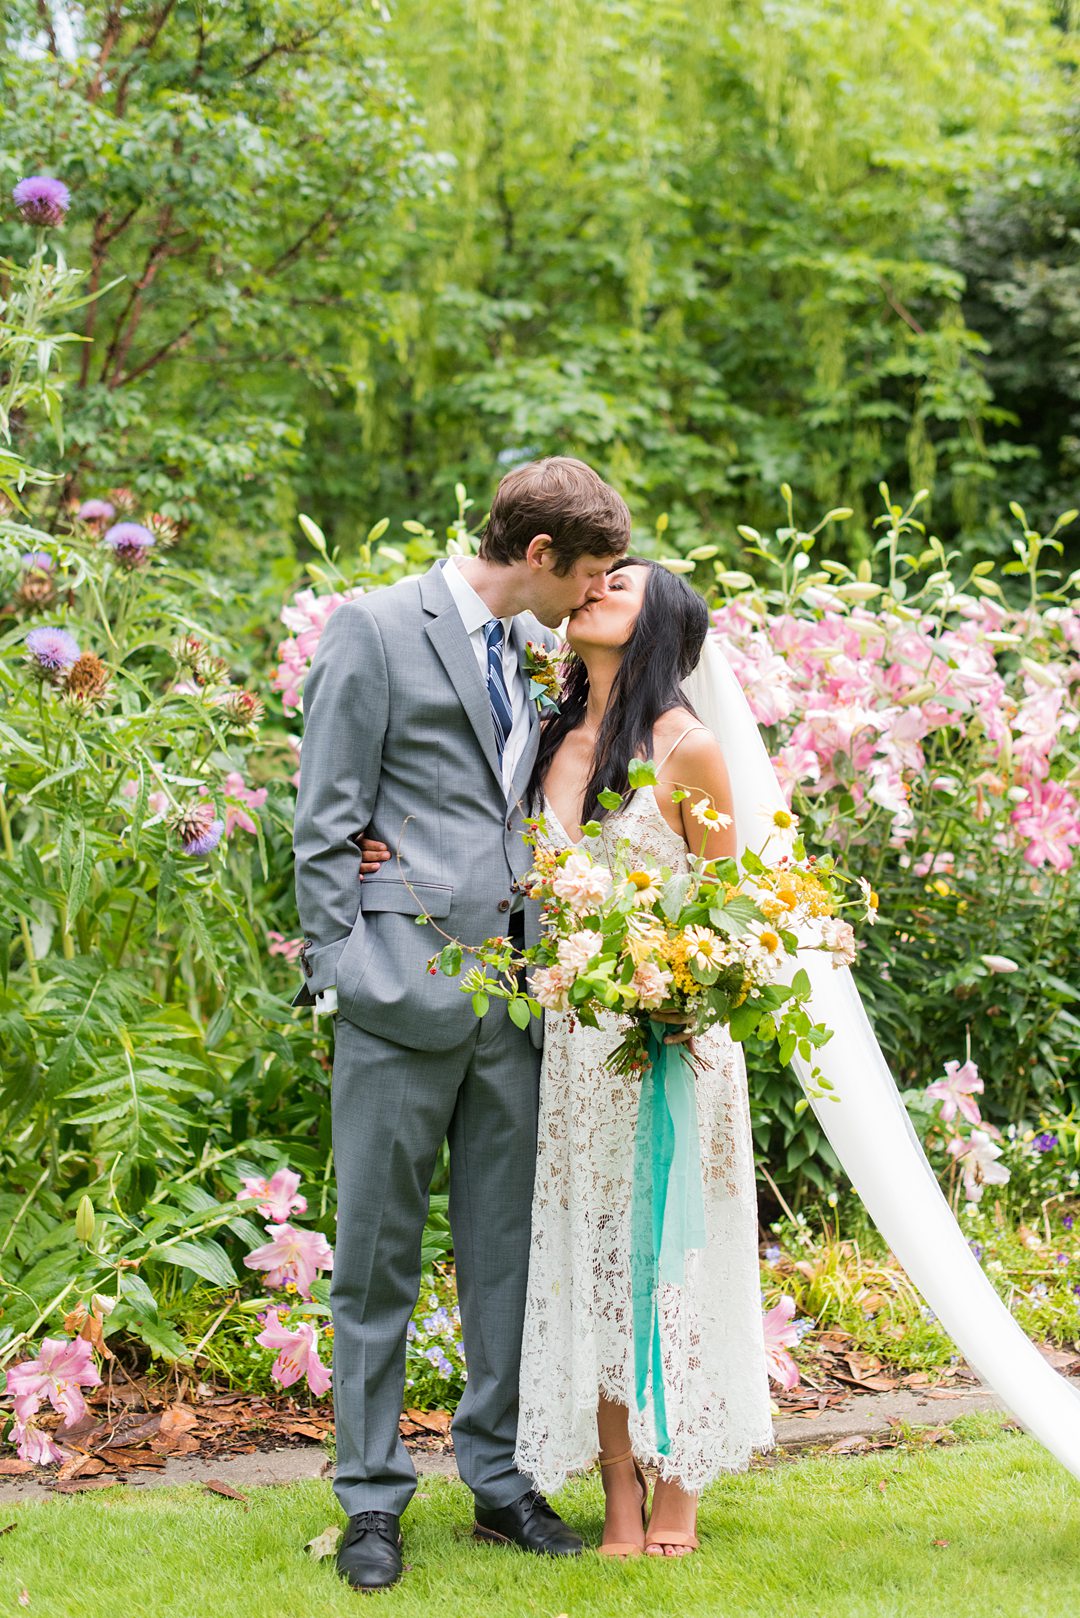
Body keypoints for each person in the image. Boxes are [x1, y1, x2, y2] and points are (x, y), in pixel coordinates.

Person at [292, 456, 631, 1591]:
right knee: (377, 1262)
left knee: (505, 1265)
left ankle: (496, 1481)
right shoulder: (375, 629)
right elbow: (325, 817)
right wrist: (346, 970)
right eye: (584, 576)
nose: (591, 596)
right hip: (397, 996)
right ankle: (372, 1500)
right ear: (538, 556)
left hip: (516, 1005)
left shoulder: (537, 654)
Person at [515, 557, 774, 1555]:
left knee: (674, 1255)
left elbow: (733, 913)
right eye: (593, 580)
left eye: (618, 586)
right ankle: (618, 1490)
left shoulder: (690, 750)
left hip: (672, 1048)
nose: (592, 591)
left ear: (661, 623)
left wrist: (679, 993)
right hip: (578, 1053)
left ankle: (679, 1485)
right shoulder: (551, 740)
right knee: (598, 1262)